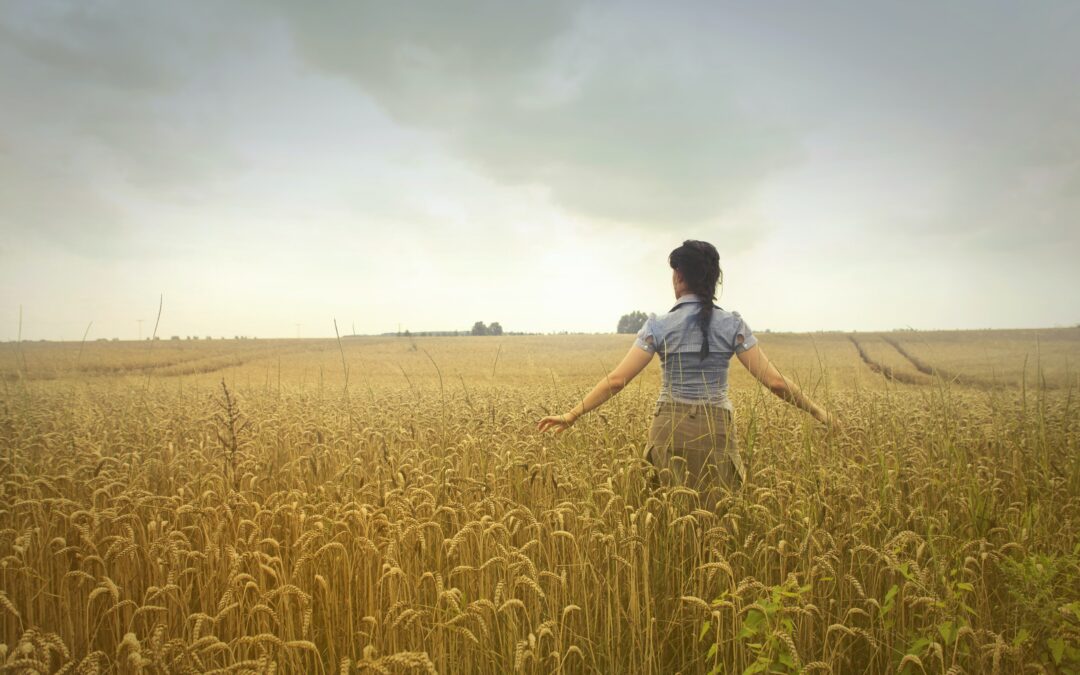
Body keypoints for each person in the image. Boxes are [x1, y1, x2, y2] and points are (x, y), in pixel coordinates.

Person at [537, 240, 834, 505]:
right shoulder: (733, 325)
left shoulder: (657, 326)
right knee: (718, 514)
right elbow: (776, 383)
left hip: (668, 425)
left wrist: (573, 414)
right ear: (713, 280)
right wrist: (820, 413)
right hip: (715, 427)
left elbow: (616, 380)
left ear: (678, 276)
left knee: (666, 515)